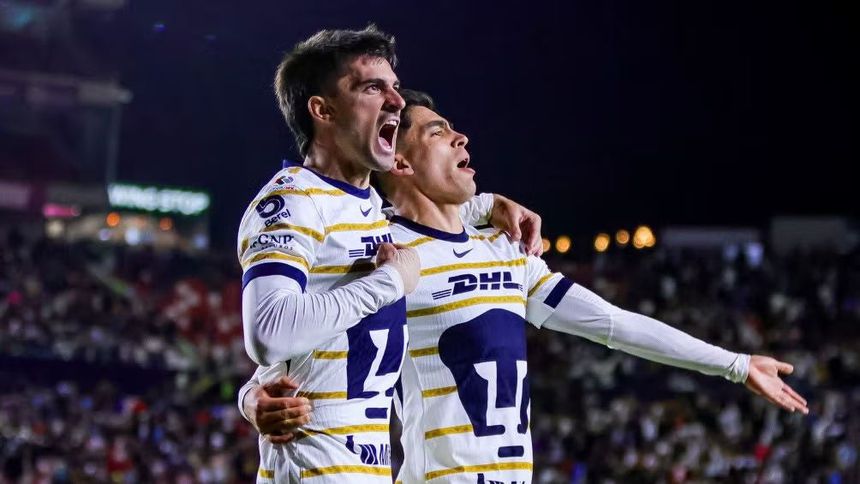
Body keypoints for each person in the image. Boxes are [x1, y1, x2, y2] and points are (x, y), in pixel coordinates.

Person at [243, 89, 809, 483]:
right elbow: (303, 346)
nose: (462, 137)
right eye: (439, 132)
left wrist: (736, 364)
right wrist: (253, 398)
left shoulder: (504, 249)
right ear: (403, 164)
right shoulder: (386, 254)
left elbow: (613, 324)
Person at [238, 28, 543, 483]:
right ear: (323, 110)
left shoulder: (369, 212)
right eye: (372, 88)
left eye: (394, 88)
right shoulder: (292, 200)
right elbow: (269, 332)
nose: (396, 102)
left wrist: (488, 204)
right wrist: (390, 282)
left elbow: (315, 342)